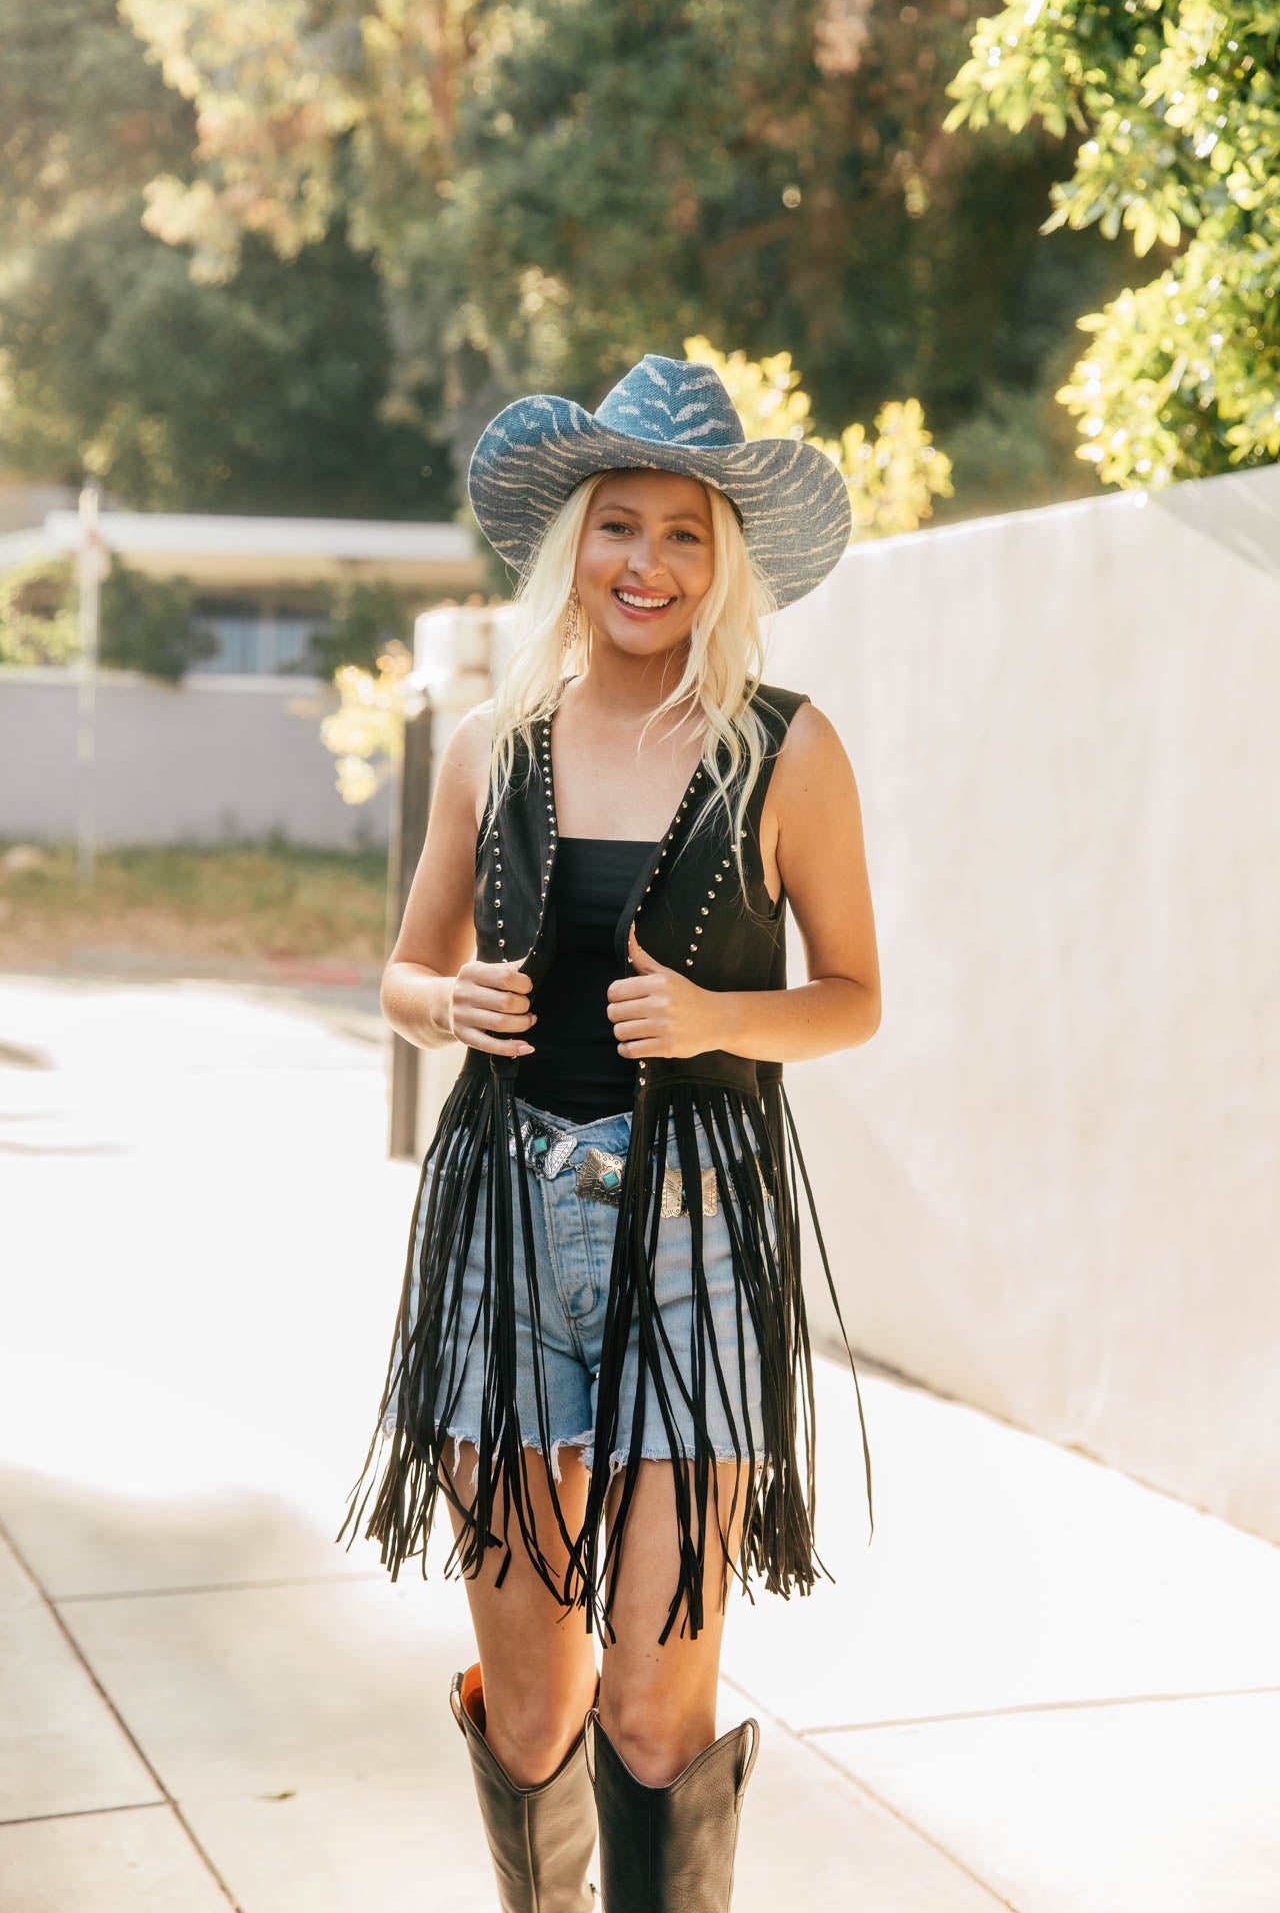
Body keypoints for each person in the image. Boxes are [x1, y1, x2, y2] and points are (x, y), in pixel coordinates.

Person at [337, 353, 881, 1912]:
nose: (648, 563)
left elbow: (852, 998)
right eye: (619, 526)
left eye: (685, 533)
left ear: (724, 563)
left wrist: (717, 1017)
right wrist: (444, 1004)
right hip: (502, 1227)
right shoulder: (489, 748)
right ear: (573, 545)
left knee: (651, 1717)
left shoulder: (787, 749)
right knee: (533, 1715)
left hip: (697, 1236)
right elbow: (405, 972)